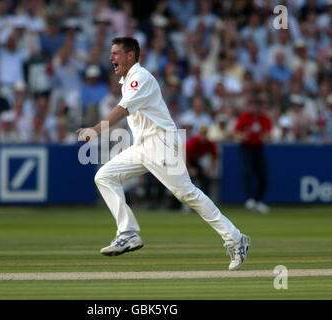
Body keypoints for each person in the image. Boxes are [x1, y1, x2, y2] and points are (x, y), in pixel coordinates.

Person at [76, 37, 250, 271]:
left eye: (116, 53)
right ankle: (128, 232)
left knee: (187, 194)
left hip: (162, 144)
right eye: (111, 53)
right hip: (142, 146)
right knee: (104, 176)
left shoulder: (141, 77)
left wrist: (95, 130)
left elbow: (123, 109)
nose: (111, 58)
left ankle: (235, 238)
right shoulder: (127, 81)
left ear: (130, 56)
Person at [234, 98, 272, 214]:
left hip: (258, 148)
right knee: (248, 171)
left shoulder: (264, 118)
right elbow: (236, 131)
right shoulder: (245, 116)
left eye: (258, 105)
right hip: (246, 148)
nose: (256, 108)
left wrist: (265, 137)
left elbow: (268, 133)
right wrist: (242, 136)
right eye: (254, 105)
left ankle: (258, 200)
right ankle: (250, 199)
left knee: (263, 175)